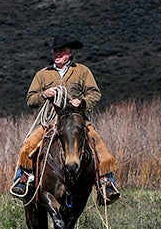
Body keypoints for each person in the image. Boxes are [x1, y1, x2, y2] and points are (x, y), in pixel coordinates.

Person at [10, 35, 120, 205]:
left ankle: (106, 184)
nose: (57, 54)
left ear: (70, 52)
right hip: (51, 121)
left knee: (101, 148)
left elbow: (95, 93)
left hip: (77, 119)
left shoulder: (82, 71)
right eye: (55, 51)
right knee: (28, 147)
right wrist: (43, 95)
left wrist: (82, 102)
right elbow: (31, 100)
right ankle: (24, 180)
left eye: (61, 51)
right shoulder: (43, 74)